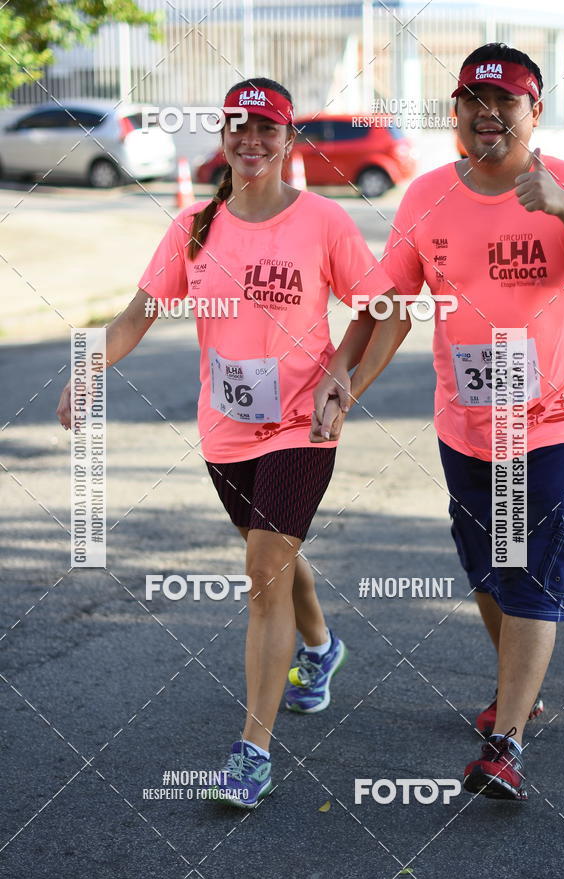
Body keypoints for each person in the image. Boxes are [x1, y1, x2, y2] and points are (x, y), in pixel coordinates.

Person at [57, 77, 410, 808]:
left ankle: (253, 751)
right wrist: (85, 370)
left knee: (262, 566)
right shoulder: (194, 225)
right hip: (225, 430)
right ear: (222, 136)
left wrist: (344, 378)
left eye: (267, 128)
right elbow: (137, 314)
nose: (252, 139)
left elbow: (387, 309)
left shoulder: (323, 222)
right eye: (238, 126)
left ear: (289, 139)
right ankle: (322, 648)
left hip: (301, 424)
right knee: (271, 552)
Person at [381, 43, 564, 799]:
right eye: (474, 100)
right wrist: (346, 376)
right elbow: (392, 304)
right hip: (467, 425)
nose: (489, 114)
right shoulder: (426, 196)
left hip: (553, 420)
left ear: (535, 111)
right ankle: (519, 694)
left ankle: (505, 743)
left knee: (532, 572)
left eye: (506, 101)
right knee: (490, 570)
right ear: (456, 112)